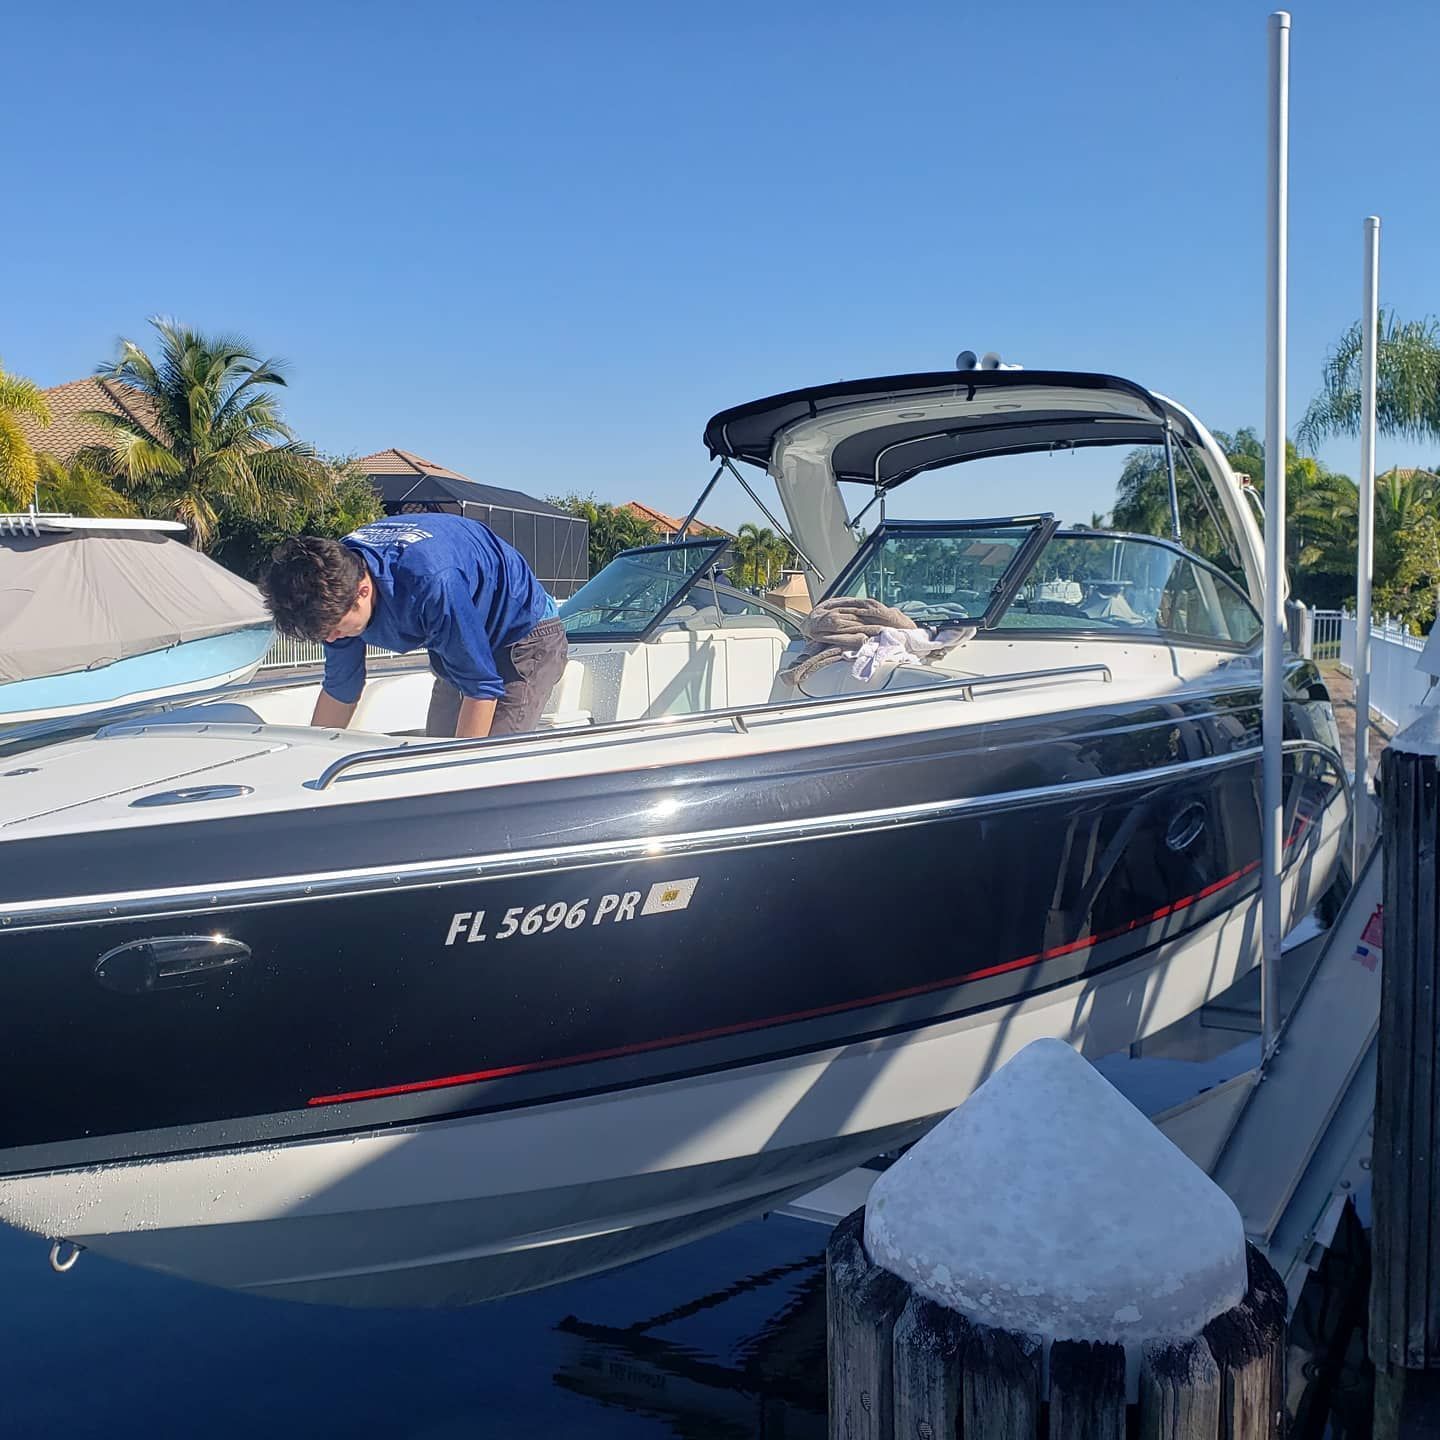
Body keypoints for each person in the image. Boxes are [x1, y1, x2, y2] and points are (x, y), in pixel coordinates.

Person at [260, 513, 568, 739]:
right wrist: (315, 758)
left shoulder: (430, 582)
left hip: (524, 636)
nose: (332, 638)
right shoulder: (329, 583)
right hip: (458, 635)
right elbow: (342, 687)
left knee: (489, 764)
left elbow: (481, 687)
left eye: (336, 629)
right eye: (323, 633)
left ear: (363, 590)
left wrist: (463, 778)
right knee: (434, 750)